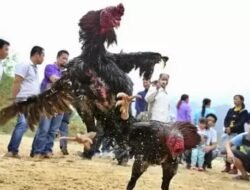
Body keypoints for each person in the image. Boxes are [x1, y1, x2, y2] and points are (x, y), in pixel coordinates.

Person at [5, 46, 45, 158]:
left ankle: (14, 150)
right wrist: (14, 100)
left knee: (25, 125)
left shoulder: (34, 68)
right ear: (37, 54)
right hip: (23, 100)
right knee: (22, 124)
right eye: (43, 56)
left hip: (31, 102)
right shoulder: (25, 64)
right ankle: (12, 151)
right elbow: (17, 82)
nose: (43, 58)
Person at [31, 50, 69, 158]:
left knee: (53, 130)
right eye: (63, 58)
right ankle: (37, 151)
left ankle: (47, 150)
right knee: (44, 129)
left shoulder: (66, 73)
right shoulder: (50, 67)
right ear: (57, 58)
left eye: (67, 59)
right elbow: (54, 80)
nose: (65, 60)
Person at [221, 95, 248, 173]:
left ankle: (235, 168)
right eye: (234, 99)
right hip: (228, 132)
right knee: (227, 149)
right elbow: (226, 120)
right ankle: (227, 166)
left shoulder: (244, 112)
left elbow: (241, 123)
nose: (235, 101)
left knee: (235, 150)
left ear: (242, 101)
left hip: (237, 133)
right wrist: (227, 128)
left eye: (236, 99)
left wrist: (232, 129)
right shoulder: (231, 110)